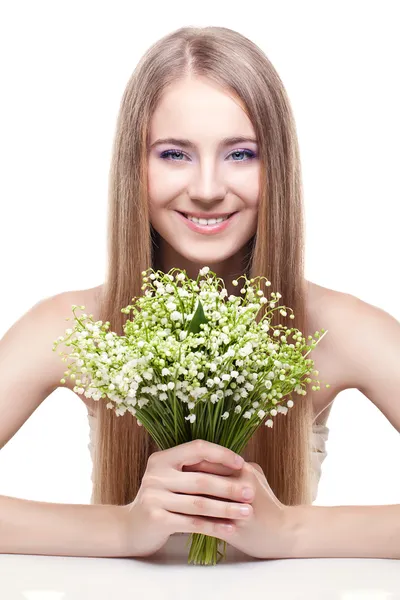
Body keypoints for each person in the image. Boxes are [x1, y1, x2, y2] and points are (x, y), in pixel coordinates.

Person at [1, 26, 399, 561]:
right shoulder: (75, 325)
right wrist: (121, 530)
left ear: (277, 166)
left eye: (240, 154)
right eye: (174, 154)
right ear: (134, 168)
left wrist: (290, 533)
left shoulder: (334, 328)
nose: (208, 188)